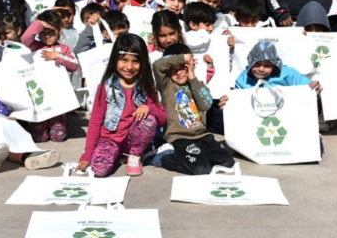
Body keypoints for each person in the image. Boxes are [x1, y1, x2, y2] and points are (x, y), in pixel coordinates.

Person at [75, 34, 166, 177]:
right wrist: (88, 154)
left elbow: (162, 116)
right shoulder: (105, 86)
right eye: (124, 60)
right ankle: (117, 154)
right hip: (110, 139)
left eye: (135, 61)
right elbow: (95, 121)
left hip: (133, 140)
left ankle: (134, 156)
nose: (129, 67)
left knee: (149, 120)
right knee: (99, 170)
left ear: (143, 63)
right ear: (114, 60)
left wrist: (150, 108)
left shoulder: (146, 86)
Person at [152, 44, 234, 175]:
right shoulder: (167, 85)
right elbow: (157, 65)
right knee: (201, 169)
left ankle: (198, 156)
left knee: (227, 162)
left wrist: (192, 77)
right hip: (179, 137)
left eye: (184, 68)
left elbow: (206, 105)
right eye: (174, 70)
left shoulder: (196, 84)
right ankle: (162, 157)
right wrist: (183, 58)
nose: (179, 73)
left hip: (202, 135)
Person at [214, 41, 321, 135]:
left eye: (267, 66)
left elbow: (307, 92)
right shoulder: (243, 79)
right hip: (255, 123)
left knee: (316, 147)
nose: (261, 69)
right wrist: (228, 105)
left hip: (288, 121)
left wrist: (314, 90)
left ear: (274, 66)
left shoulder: (288, 74)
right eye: (257, 64)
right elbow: (238, 104)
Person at [21, 10, 80, 142]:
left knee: (58, 137)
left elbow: (74, 65)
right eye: (43, 33)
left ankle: (61, 124)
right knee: (39, 138)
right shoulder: (35, 47)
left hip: (58, 96)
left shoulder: (64, 49)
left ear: (59, 30)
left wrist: (57, 57)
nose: (47, 36)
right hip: (39, 96)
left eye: (51, 32)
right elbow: (25, 39)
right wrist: (40, 24)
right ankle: (41, 126)